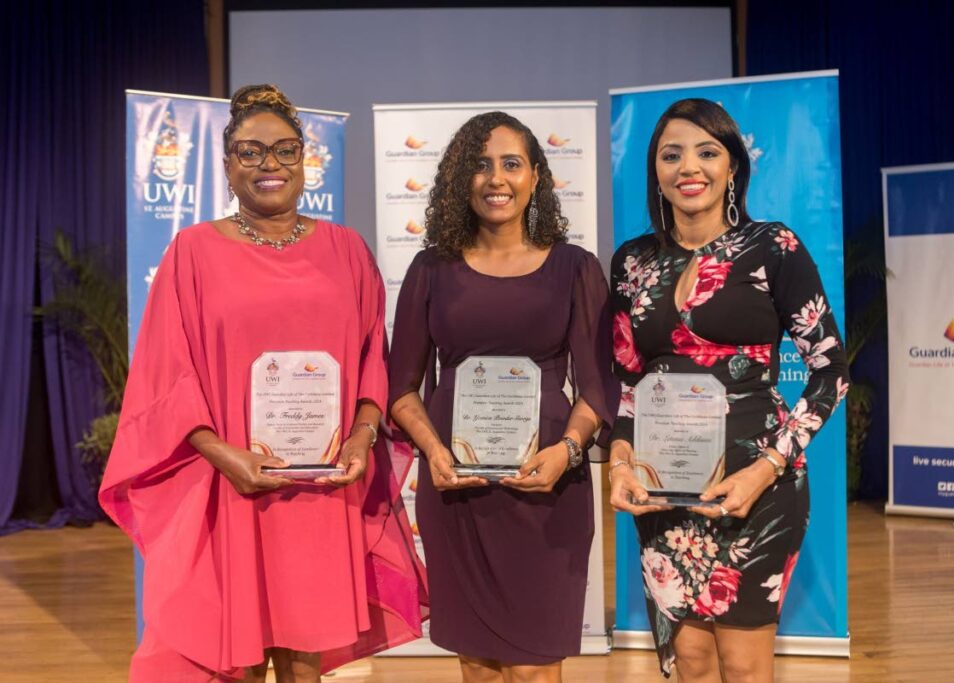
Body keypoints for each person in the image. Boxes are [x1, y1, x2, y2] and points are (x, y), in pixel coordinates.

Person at [99, 84, 427, 682]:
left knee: (305, 659)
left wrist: (361, 436)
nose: (268, 164)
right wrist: (226, 456)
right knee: (240, 658)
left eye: (284, 150)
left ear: (305, 159)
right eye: (250, 152)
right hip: (234, 480)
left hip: (320, 484)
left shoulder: (347, 250)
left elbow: (370, 361)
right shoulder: (191, 253)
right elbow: (167, 373)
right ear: (227, 165)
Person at [607, 98, 849, 682]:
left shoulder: (773, 246)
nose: (689, 167)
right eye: (672, 155)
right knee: (689, 661)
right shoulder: (632, 262)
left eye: (707, 152)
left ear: (733, 167)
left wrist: (765, 469)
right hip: (664, 488)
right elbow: (627, 382)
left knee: (743, 666)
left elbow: (830, 372)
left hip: (757, 484)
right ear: (657, 173)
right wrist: (618, 462)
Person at [388, 111, 619, 683]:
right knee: (480, 666)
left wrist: (567, 451)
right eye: (480, 165)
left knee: (534, 668)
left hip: (546, 490)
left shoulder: (575, 268)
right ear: (460, 179)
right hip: (457, 490)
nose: (496, 178)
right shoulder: (430, 268)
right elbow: (399, 389)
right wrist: (433, 454)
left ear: (536, 176)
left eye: (511, 164)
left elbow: (598, 385)